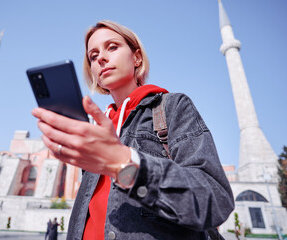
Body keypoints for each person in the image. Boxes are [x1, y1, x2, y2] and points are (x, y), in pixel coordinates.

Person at [32, 20, 234, 239]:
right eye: (93, 55)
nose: (101, 58)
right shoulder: (95, 131)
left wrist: (124, 164)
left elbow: (215, 199)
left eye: (112, 47)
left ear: (137, 57)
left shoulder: (172, 107)